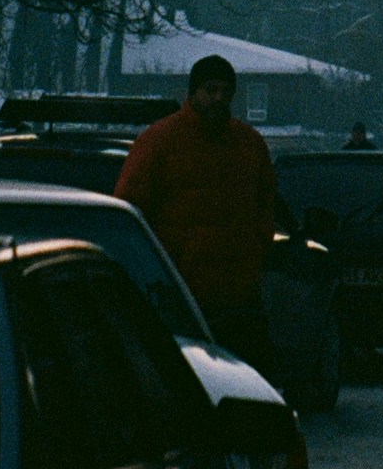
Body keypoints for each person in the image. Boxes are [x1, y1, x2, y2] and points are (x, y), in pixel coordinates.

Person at [115, 54, 278, 378]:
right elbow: (129, 211)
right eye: (211, 89)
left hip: (237, 299)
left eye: (226, 91)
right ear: (193, 92)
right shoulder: (159, 141)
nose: (219, 98)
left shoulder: (249, 145)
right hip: (179, 298)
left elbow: (265, 206)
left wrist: (255, 249)